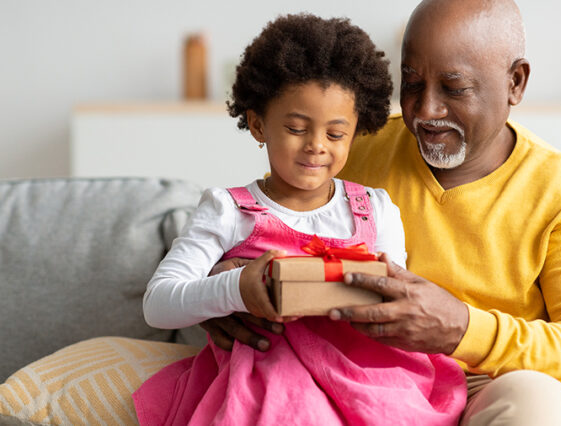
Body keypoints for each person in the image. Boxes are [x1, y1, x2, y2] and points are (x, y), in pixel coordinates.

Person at [204, 0, 561, 425]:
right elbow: (259, 225)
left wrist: (460, 329)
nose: (426, 111)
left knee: (536, 401)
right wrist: (226, 284)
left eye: (455, 87)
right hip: (355, 379)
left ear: (515, 82)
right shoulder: (351, 150)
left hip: (489, 388)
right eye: (411, 83)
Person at [131, 13, 466, 425]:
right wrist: (236, 288)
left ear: (357, 132)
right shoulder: (228, 210)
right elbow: (158, 304)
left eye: (335, 134)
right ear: (258, 124)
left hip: (368, 375)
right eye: (295, 127)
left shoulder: (375, 207)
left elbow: (394, 292)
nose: (315, 147)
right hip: (271, 375)